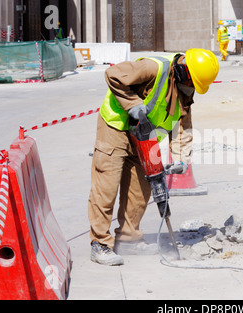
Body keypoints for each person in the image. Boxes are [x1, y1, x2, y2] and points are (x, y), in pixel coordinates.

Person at [88, 49, 219, 266]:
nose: (192, 87)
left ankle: (129, 239)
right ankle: (100, 243)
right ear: (182, 68)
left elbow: (182, 126)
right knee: (107, 187)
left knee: (141, 189)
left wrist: (180, 160)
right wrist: (132, 105)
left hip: (145, 137)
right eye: (191, 81)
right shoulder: (153, 67)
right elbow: (113, 74)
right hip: (116, 128)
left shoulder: (185, 90)